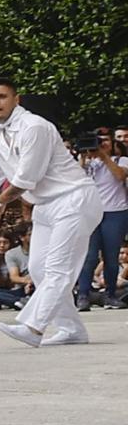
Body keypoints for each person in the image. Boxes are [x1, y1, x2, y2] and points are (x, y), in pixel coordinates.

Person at [0, 79, 104, 347]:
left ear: (16, 99)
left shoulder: (35, 127)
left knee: (58, 268)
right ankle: (71, 330)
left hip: (74, 198)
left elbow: (25, 179)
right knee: (39, 268)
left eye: (1, 97)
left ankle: (33, 326)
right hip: (44, 205)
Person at [76, 128, 127, 309]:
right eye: (99, 141)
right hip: (90, 212)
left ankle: (110, 294)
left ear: (113, 143)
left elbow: (120, 176)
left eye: (105, 140)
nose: (101, 144)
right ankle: (83, 294)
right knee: (89, 256)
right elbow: (75, 181)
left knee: (111, 257)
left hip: (115, 212)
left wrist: (104, 157)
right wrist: (84, 158)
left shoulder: (121, 160)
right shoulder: (86, 163)